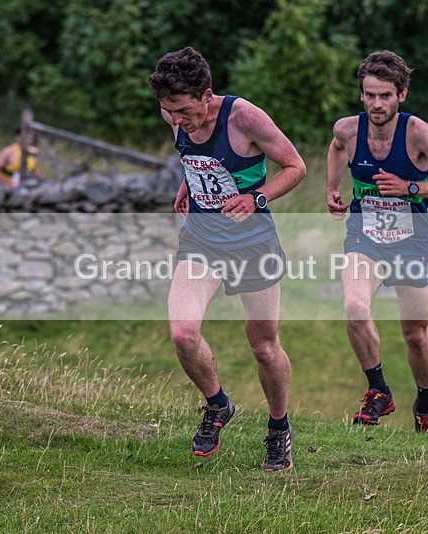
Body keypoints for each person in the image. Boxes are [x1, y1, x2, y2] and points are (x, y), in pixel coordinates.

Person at [148, 47, 306, 471]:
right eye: (168, 111)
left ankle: (278, 430)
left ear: (207, 95)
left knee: (264, 347)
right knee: (182, 333)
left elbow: (295, 166)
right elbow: (192, 155)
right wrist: (190, 181)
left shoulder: (244, 118)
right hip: (201, 240)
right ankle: (217, 405)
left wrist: (256, 198)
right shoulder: (174, 116)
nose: (176, 120)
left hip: (254, 245)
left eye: (183, 110)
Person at [326, 50, 428, 433]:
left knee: (416, 335)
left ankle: (424, 405)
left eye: (385, 96)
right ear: (361, 95)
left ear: (401, 95)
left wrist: (412, 187)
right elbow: (337, 146)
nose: (377, 103)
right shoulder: (347, 129)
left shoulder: (418, 133)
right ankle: (379, 391)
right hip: (364, 237)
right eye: (370, 95)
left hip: (410, 244)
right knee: (355, 307)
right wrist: (331, 188)